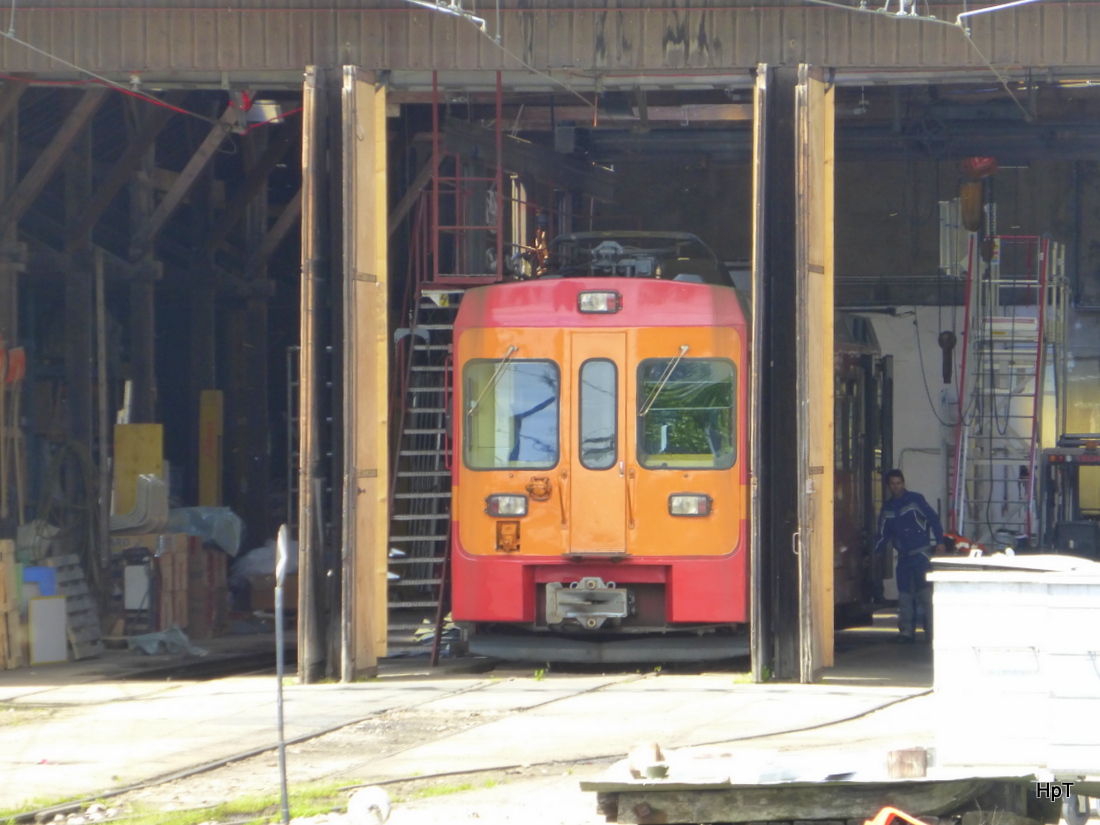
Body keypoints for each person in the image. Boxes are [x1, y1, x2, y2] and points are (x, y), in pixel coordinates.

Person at [873, 469, 946, 643]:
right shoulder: (887, 509)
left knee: (926, 595)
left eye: (898, 483)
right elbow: (883, 535)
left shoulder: (916, 499)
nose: (896, 486)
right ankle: (906, 632)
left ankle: (933, 631)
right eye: (892, 484)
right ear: (888, 486)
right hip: (904, 558)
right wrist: (875, 553)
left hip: (922, 554)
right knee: (904, 594)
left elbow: (933, 520)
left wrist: (940, 542)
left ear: (903, 483)